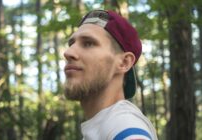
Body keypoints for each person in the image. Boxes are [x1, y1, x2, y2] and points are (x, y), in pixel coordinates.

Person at [64, 10, 158, 140]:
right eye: (71, 44)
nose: (68, 52)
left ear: (124, 62)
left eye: (88, 43)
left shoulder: (124, 126)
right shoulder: (103, 127)